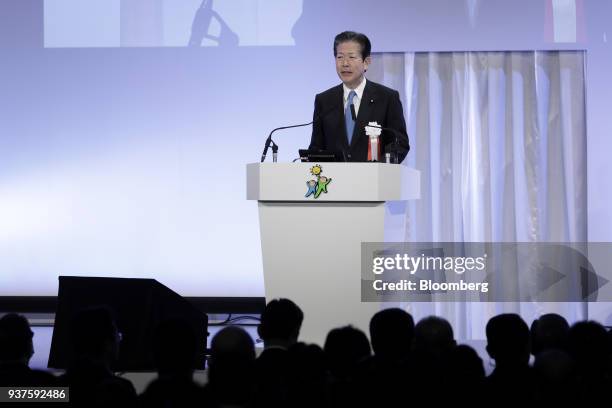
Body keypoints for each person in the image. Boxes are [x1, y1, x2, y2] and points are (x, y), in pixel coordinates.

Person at [309, 31, 409, 162]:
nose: (345, 63)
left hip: (374, 179)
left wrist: (379, 168)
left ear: (366, 62)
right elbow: (316, 147)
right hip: (335, 180)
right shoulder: (324, 100)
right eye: (340, 57)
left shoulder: (387, 98)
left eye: (351, 57)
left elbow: (399, 144)